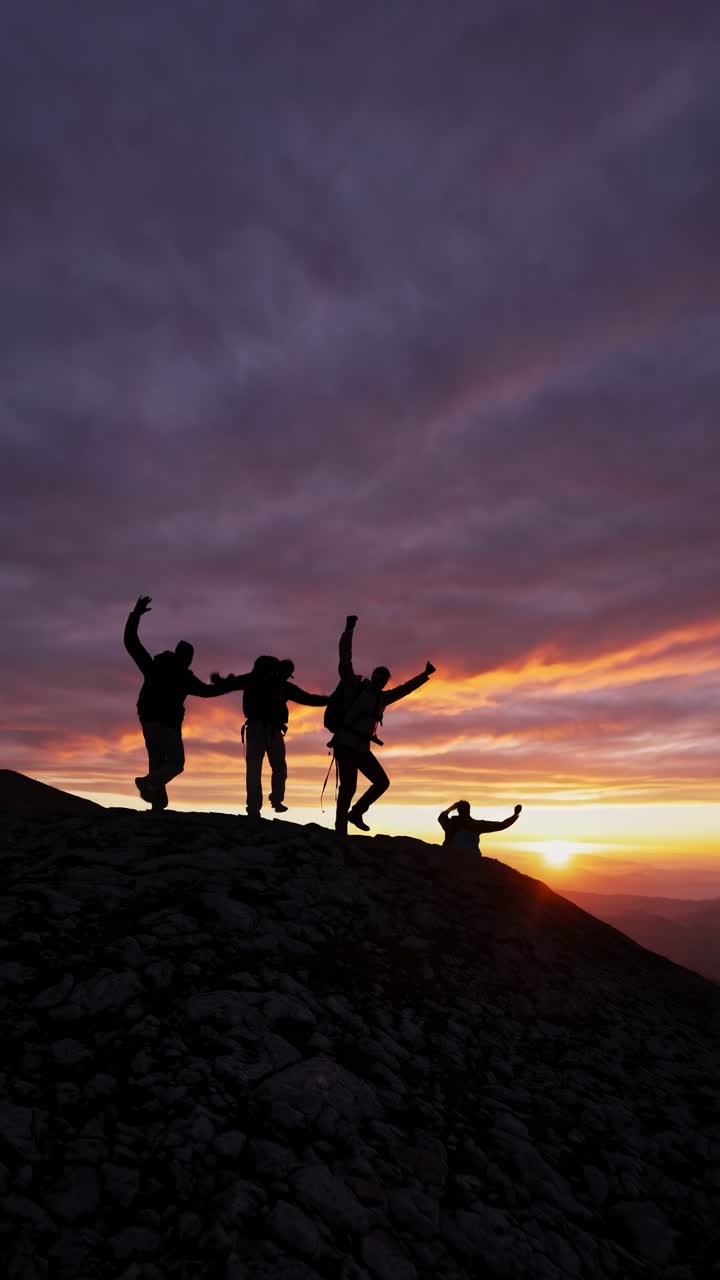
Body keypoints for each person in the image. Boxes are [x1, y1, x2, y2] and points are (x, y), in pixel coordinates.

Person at [123, 595, 233, 811]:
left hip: (147, 719)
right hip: (167, 724)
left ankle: (157, 803)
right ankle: (148, 784)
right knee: (175, 764)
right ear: (189, 658)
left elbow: (131, 642)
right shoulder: (184, 676)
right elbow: (207, 692)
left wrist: (135, 615)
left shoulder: (155, 666)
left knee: (156, 762)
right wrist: (228, 684)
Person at [329, 615, 436, 835]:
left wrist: (424, 675)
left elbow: (404, 690)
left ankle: (356, 813)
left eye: (384, 678)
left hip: (362, 749)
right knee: (348, 788)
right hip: (345, 745)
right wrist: (349, 630)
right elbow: (345, 659)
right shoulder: (354, 688)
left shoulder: (382, 698)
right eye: (378, 676)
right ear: (373, 676)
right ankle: (341, 830)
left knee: (381, 782)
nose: (380, 680)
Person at [214, 656, 328, 819]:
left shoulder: (255, 679)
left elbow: (233, 684)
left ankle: (254, 809)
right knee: (278, 767)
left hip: (256, 728)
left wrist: (219, 681)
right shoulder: (283, 685)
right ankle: (275, 801)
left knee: (254, 769)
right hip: (271, 730)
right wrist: (328, 700)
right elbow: (307, 698)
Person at [437, 800, 522, 854]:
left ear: (458, 810)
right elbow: (501, 825)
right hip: (466, 860)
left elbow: (441, 817)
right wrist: (515, 815)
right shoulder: (475, 825)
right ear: (469, 811)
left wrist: (452, 808)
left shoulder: (452, 824)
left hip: (461, 860)